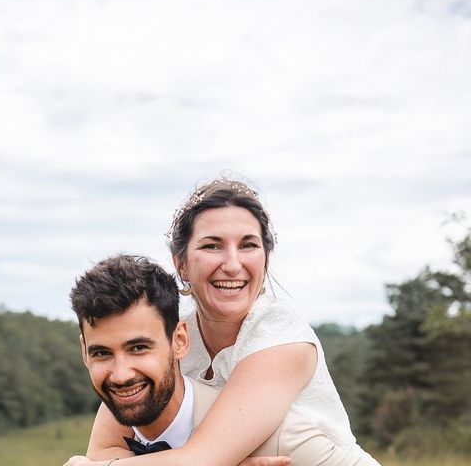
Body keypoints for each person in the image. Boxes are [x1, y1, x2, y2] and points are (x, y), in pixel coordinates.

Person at [65, 178, 380, 466]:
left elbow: (201, 458)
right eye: (212, 245)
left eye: (248, 245)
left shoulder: (283, 340)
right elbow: (106, 449)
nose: (232, 264)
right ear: (182, 265)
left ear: (265, 259)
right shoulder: (162, 333)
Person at [70, 254, 368, 465]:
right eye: (102, 353)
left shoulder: (279, 440)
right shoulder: (109, 446)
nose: (121, 375)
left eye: (139, 348)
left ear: (180, 341)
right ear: (85, 353)